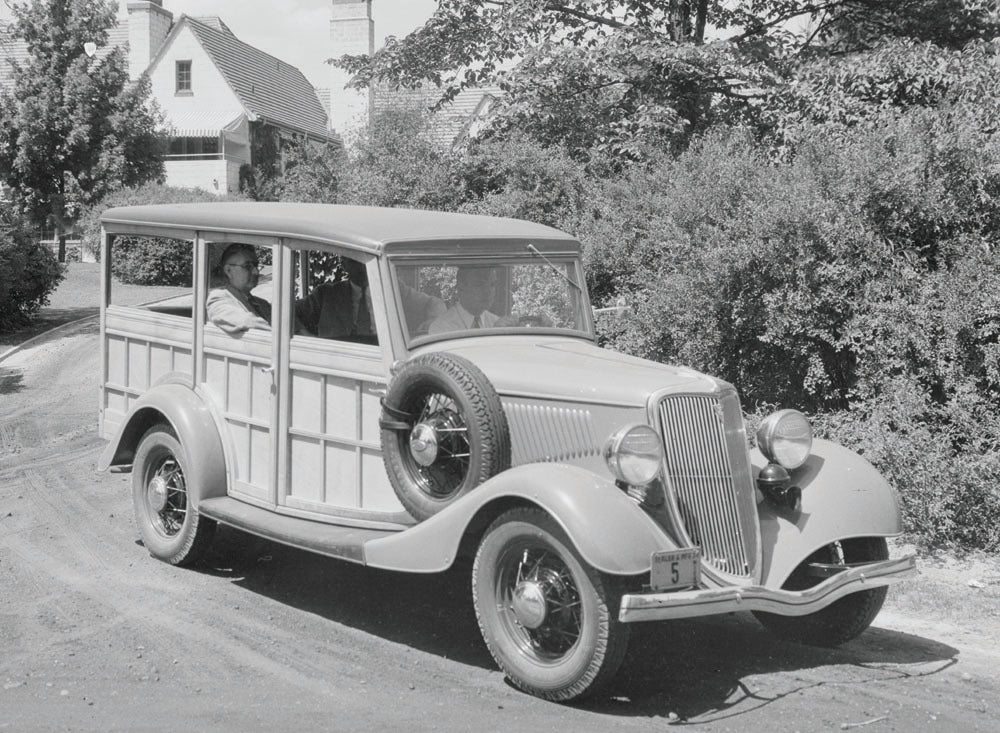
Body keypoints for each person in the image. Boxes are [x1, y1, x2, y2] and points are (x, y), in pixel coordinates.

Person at [296, 257, 375, 340]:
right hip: (334, 351)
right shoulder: (326, 294)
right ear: (344, 265)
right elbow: (288, 311)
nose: (362, 266)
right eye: (355, 261)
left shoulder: (388, 293)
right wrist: (305, 336)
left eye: (368, 260)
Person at [206, 243, 271, 335]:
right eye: (247, 266)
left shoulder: (262, 304)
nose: (256, 272)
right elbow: (244, 320)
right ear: (228, 270)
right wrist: (275, 334)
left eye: (256, 265)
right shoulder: (218, 298)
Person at [428, 266, 501, 335]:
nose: (488, 291)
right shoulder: (442, 327)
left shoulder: (496, 324)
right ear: (461, 288)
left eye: (492, 284)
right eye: (480, 284)